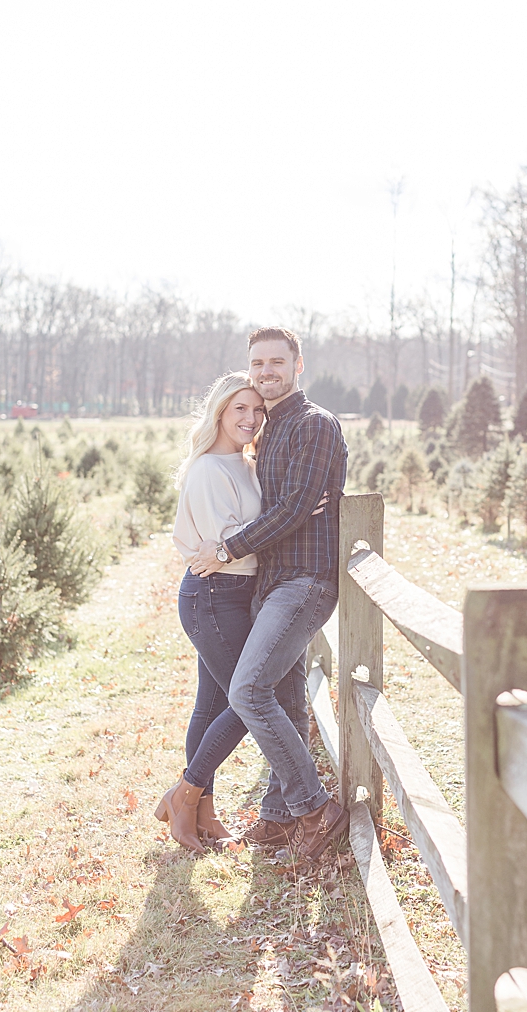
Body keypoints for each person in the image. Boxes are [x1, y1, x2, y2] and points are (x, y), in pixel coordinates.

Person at [188, 326, 350, 861]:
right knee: (282, 696)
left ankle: (315, 807)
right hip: (269, 584)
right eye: (258, 363)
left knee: (248, 690)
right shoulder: (265, 429)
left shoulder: (314, 424)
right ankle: (280, 819)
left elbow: (294, 506)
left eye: (277, 362)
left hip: (303, 583)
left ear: (297, 365)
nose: (266, 371)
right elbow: (279, 505)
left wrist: (229, 547)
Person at [159, 370, 267, 853]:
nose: (250, 418)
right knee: (249, 700)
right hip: (212, 595)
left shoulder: (247, 464)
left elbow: (240, 541)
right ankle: (184, 797)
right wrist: (257, 539)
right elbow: (233, 548)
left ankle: (203, 812)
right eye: (240, 408)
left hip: (235, 595)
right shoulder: (207, 469)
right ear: (220, 411)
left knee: (214, 704)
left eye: (257, 409)